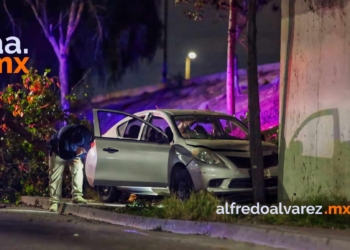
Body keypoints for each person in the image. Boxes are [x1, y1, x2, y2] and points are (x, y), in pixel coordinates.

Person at [47, 124, 93, 212]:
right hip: (57, 151)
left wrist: (80, 155)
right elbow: (63, 154)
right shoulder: (62, 137)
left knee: (78, 168)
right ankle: (54, 202)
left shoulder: (87, 135)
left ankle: (77, 196)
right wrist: (75, 154)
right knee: (55, 175)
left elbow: (87, 150)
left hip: (76, 152)